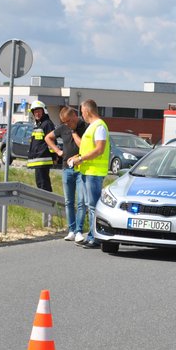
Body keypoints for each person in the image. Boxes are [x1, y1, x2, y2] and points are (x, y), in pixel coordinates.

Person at [66, 99, 110, 248]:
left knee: (93, 206)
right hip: (87, 170)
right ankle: (92, 235)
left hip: (94, 172)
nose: (82, 115)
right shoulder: (92, 127)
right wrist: (77, 158)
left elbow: (99, 149)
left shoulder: (99, 126)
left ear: (87, 111)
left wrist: (81, 159)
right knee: (89, 205)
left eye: (82, 111)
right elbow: (87, 149)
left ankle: (95, 238)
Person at [45, 106, 88, 241]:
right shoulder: (63, 128)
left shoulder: (85, 126)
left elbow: (83, 146)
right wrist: (58, 151)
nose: (67, 125)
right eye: (64, 122)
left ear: (75, 116)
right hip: (66, 168)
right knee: (69, 201)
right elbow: (48, 138)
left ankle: (79, 231)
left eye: (68, 121)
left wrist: (74, 132)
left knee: (81, 201)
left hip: (81, 168)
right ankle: (71, 230)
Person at [27, 100, 56, 192]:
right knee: (40, 184)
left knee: (43, 185)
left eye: (39, 111)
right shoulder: (38, 125)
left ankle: (47, 204)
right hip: (39, 160)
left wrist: (54, 156)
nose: (37, 113)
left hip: (43, 159)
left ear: (44, 111)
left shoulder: (47, 124)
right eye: (35, 111)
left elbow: (52, 141)